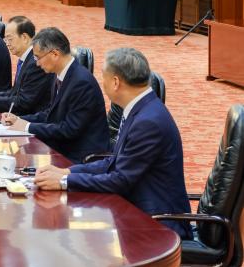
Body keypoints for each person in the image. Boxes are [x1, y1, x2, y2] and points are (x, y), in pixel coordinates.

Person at [34, 48, 191, 238]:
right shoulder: (140, 109)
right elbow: (114, 162)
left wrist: (63, 182)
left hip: (156, 222)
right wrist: (67, 172)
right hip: (136, 206)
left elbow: (120, 180)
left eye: (104, 77)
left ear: (116, 82)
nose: (102, 83)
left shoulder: (148, 122)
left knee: (77, 235)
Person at [2, 27, 110, 163]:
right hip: (63, 145)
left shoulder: (81, 82)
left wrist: (27, 127)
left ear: (54, 54)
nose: (37, 63)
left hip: (81, 155)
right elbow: (51, 113)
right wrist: (19, 119)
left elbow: (69, 130)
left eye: (38, 57)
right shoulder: (59, 74)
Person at [0, 16, 54, 115]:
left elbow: (24, 102)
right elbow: (13, 92)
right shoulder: (25, 59)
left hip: (32, 118)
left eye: (10, 39)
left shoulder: (36, 63)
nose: (7, 44)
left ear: (24, 37)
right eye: (5, 39)